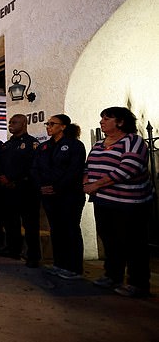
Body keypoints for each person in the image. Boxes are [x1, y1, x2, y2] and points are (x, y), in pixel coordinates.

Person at [84, 107, 153, 297]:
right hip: (104, 202)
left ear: (121, 122)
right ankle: (112, 275)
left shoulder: (133, 141)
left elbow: (128, 169)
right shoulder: (99, 144)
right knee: (110, 241)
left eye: (107, 118)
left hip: (129, 203)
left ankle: (138, 283)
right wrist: (86, 181)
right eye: (101, 118)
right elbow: (88, 166)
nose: (102, 122)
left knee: (133, 243)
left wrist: (96, 184)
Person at [32, 114, 86, 280]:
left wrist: (56, 187)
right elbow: (35, 168)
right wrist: (41, 186)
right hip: (48, 196)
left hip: (69, 195)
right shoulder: (44, 147)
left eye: (52, 124)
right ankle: (59, 264)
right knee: (56, 230)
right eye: (47, 124)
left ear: (63, 126)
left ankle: (74, 268)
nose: (48, 126)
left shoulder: (75, 145)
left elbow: (74, 170)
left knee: (70, 229)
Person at [0, 114, 41, 268]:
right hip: (8, 190)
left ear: (24, 124)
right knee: (10, 222)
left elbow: (31, 167)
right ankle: (13, 249)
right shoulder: (7, 145)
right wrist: (2, 176)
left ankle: (33, 256)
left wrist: (13, 180)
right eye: (10, 122)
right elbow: (0, 163)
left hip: (25, 190)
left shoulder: (32, 144)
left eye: (14, 122)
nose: (10, 124)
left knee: (30, 225)